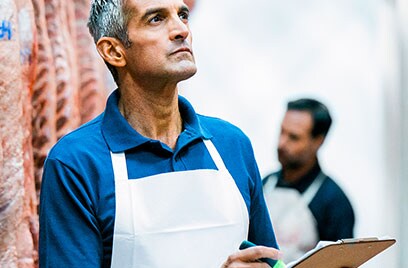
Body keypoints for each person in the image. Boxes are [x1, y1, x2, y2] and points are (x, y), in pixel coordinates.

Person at [38, 0, 282, 267]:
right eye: (156, 19)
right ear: (114, 51)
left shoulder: (231, 144)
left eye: (183, 15)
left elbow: (271, 261)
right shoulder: (76, 162)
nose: (181, 30)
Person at [262, 98, 355, 263]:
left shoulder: (334, 202)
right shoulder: (264, 184)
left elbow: (341, 264)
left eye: (294, 137)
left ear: (318, 141)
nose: (281, 143)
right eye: (281, 132)